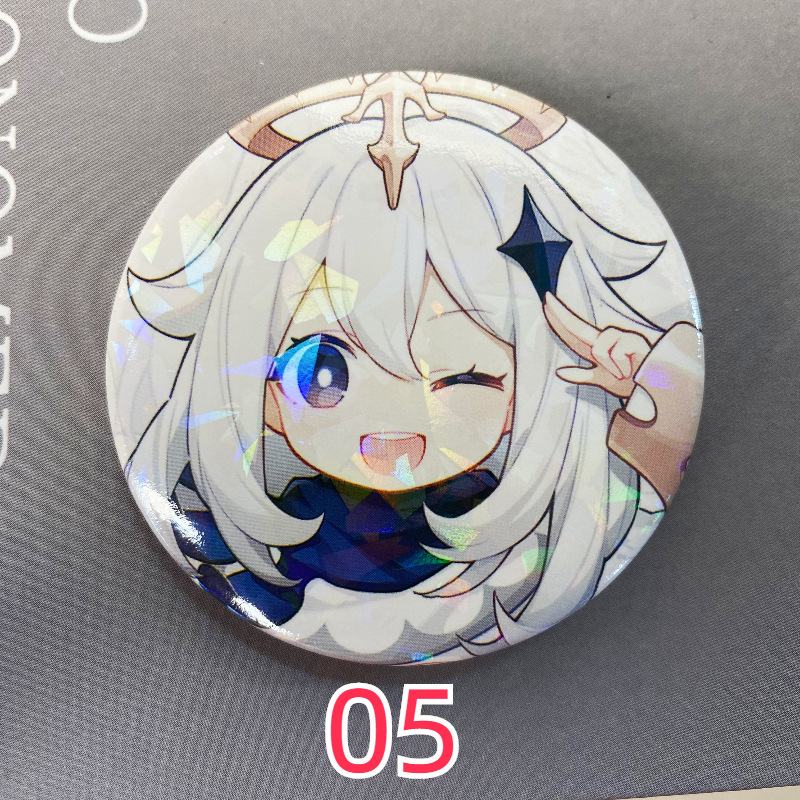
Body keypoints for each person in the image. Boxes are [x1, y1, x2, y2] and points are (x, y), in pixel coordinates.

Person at [119, 74, 702, 662]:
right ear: (264, 395)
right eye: (324, 374)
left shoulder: (533, 534)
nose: (394, 428)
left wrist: (645, 384)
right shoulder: (251, 532)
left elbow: (651, 468)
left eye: (464, 378)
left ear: (525, 394)